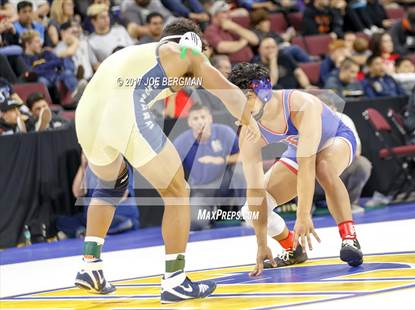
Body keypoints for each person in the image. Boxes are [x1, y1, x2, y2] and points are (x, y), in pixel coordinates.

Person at [74, 18, 259, 302]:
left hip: (86, 117)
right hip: (124, 110)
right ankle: (175, 280)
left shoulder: (138, 54)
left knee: (111, 185)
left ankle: (90, 265)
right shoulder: (188, 52)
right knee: (177, 191)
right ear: (191, 41)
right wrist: (253, 123)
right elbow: (228, 92)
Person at [229, 63, 364, 276]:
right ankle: (293, 247)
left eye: (245, 99)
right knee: (250, 209)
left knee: (323, 168)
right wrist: (261, 243)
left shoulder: (300, 104)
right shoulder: (248, 132)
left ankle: (349, 237)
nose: (240, 108)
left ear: (263, 91)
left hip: (335, 138)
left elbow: (307, 166)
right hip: (299, 148)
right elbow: (255, 191)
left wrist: (303, 215)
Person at [173, 103, 245, 231]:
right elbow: (171, 169)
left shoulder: (225, 132)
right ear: (189, 122)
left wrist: (222, 160)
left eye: (203, 117)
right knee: (195, 223)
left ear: (210, 118)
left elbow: (245, 156)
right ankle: (212, 214)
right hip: (202, 190)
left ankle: (246, 213)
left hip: (226, 184)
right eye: (195, 118)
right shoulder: (181, 142)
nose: (200, 121)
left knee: (240, 170)